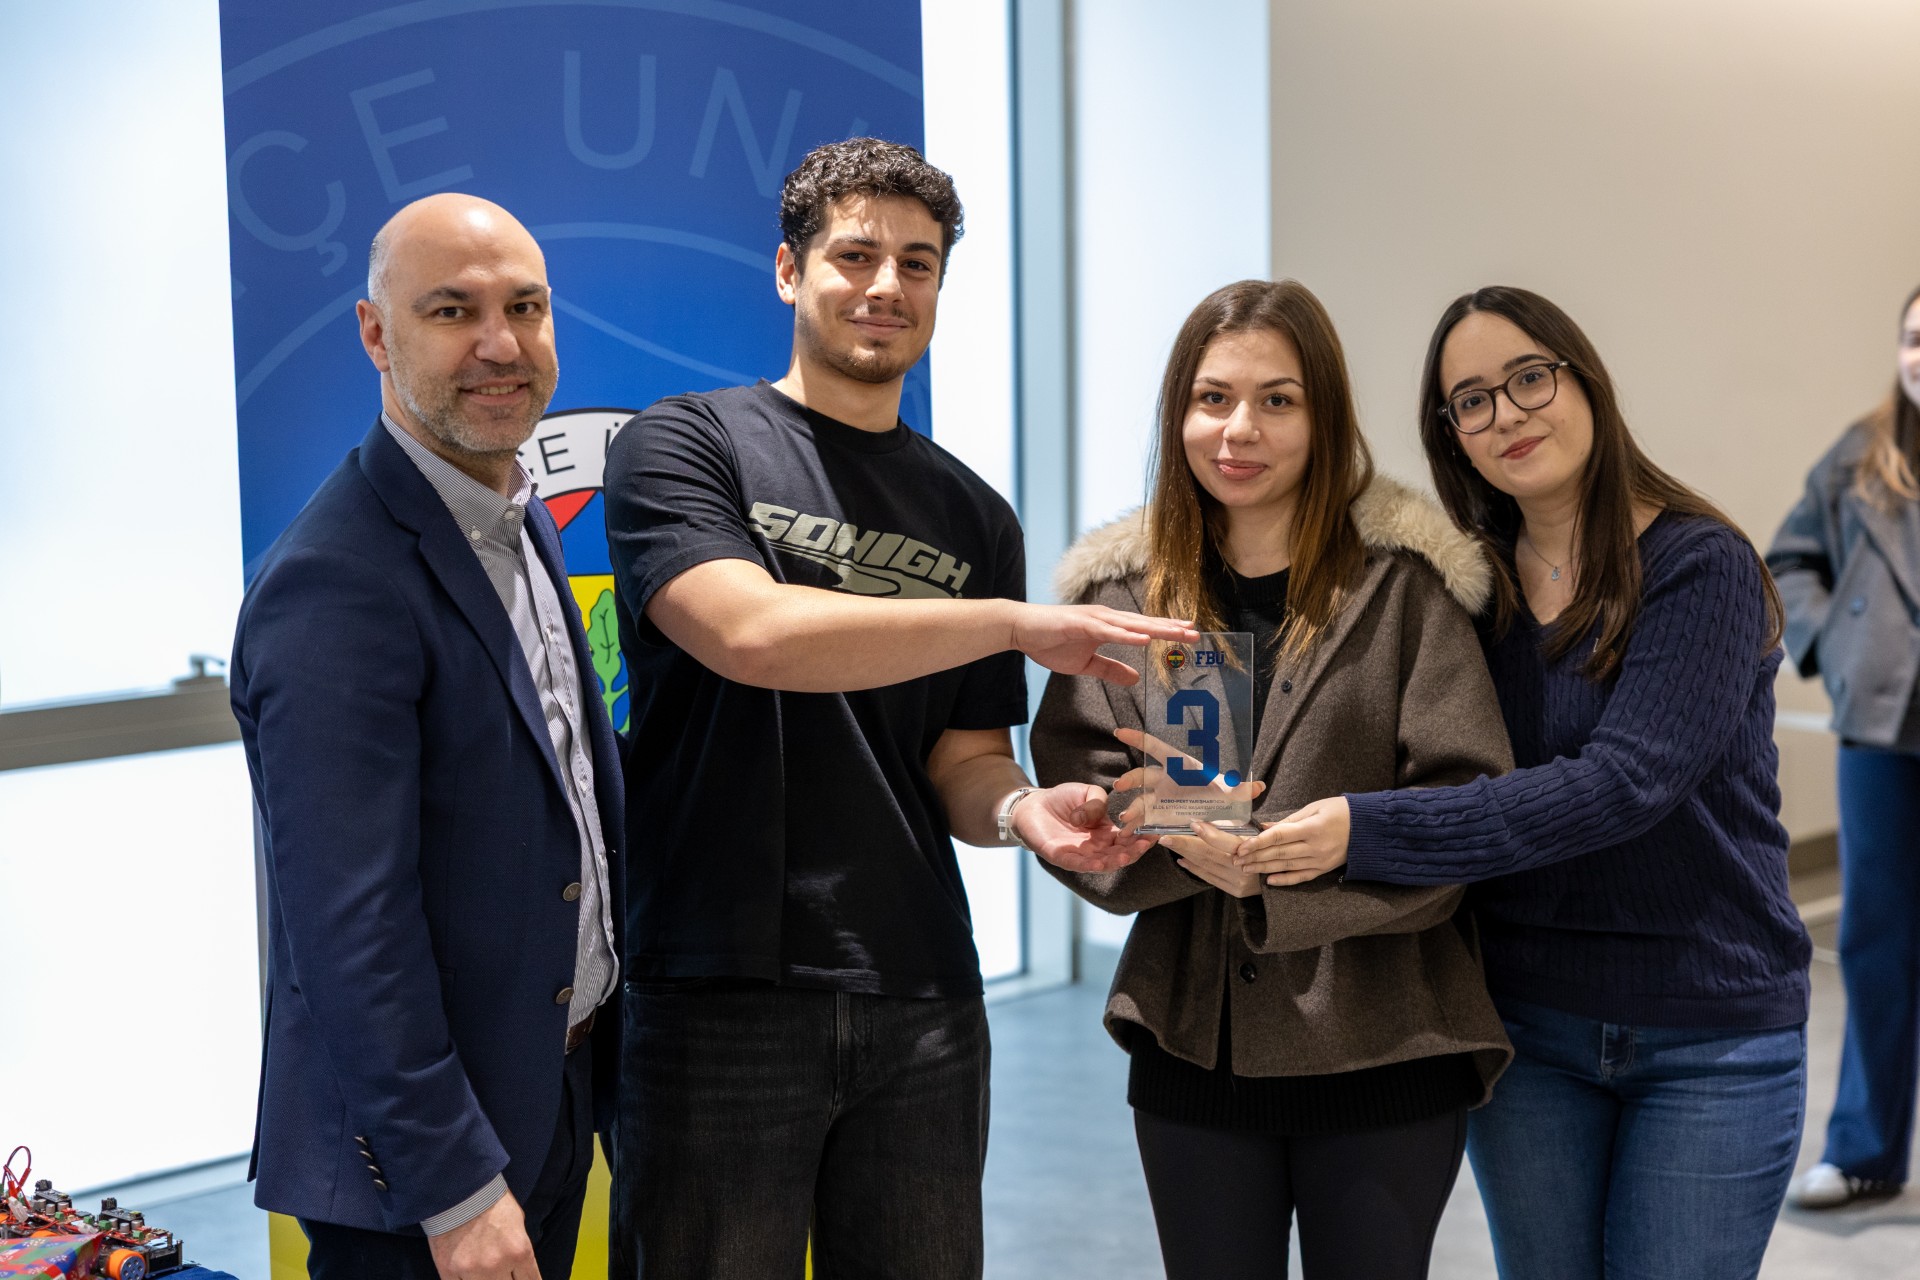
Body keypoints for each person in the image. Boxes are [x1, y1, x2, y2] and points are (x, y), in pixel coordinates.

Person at [600, 137, 1193, 1279]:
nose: (887, 286)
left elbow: (963, 760)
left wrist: (1023, 810)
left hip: (921, 989)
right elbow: (749, 633)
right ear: (789, 270)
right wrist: (1009, 622)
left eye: (917, 264)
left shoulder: (973, 514)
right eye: (856, 255)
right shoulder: (686, 443)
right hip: (719, 983)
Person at [1239, 286, 1813, 1279]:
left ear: (1585, 381)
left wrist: (1366, 831)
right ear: (1452, 434)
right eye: (1472, 400)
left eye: (1529, 379)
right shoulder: (1471, 587)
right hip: (1528, 1024)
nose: (1506, 413)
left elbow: (1624, 784)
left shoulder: (1698, 565)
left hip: (1710, 1030)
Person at [1030, 279, 1514, 1280]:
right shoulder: (1124, 598)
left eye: (1277, 400)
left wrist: (1290, 863)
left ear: (1324, 415)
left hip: (1385, 1041)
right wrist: (1179, 834)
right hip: (1192, 1043)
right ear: (1179, 414)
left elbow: (1467, 805)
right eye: (1212, 398)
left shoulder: (1404, 588)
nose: (1238, 429)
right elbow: (1079, 779)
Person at [231, 193, 622, 1280]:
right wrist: (453, 1185)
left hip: (544, 1099)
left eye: (525, 307)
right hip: (426, 1179)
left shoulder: (513, 514)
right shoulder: (335, 582)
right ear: (375, 333)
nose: (501, 344)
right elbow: (349, 928)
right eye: (452, 311)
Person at [1773, 283, 1920, 1209]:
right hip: (1883, 729)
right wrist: (1834, 642)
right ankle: (1864, 1151)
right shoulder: (1861, 455)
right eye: (1914, 338)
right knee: (1877, 941)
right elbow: (1790, 560)